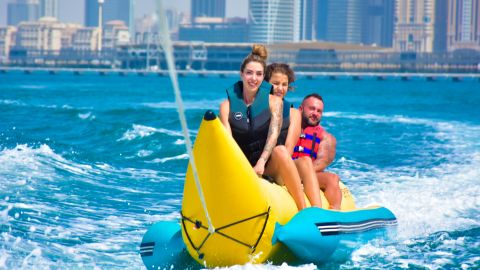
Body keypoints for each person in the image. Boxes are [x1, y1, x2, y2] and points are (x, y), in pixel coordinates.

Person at [219, 45, 312, 210]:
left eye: (259, 74)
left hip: (268, 166)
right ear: (241, 74)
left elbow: (274, 133)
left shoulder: (275, 103)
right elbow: (227, 141)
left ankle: (303, 211)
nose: (253, 78)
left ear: (263, 79)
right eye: (249, 73)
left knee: (280, 150)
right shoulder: (226, 106)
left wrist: (261, 162)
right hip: (241, 166)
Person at [264, 63, 322, 208]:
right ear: (266, 83)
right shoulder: (258, 107)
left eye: (284, 84)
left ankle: (316, 213)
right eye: (275, 83)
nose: (280, 88)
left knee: (305, 161)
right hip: (258, 163)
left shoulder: (293, 114)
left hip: (277, 165)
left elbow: (289, 148)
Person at [293, 94, 342, 209]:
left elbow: (321, 163)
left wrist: (300, 175)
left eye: (319, 111)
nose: (315, 113)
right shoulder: (288, 125)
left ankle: (334, 213)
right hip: (285, 168)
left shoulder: (327, 138)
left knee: (333, 179)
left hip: (309, 176)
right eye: (312, 109)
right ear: (301, 109)